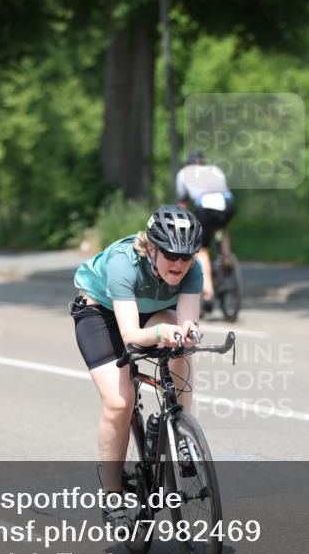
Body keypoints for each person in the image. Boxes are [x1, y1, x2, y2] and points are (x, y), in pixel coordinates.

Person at [70, 204, 204, 530]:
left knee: (180, 347)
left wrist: (187, 332)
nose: (179, 264)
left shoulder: (193, 269)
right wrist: (161, 332)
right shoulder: (123, 264)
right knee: (119, 401)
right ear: (153, 248)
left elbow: (187, 324)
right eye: (171, 255)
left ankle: (178, 426)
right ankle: (112, 495)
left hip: (151, 313)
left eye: (186, 257)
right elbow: (131, 334)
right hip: (101, 314)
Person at [176, 150, 236, 301]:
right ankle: (226, 258)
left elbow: (182, 204)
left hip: (205, 207)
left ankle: (208, 291)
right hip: (228, 204)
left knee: (202, 249)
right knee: (221, 228)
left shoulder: (183, 173)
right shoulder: (215, 170)